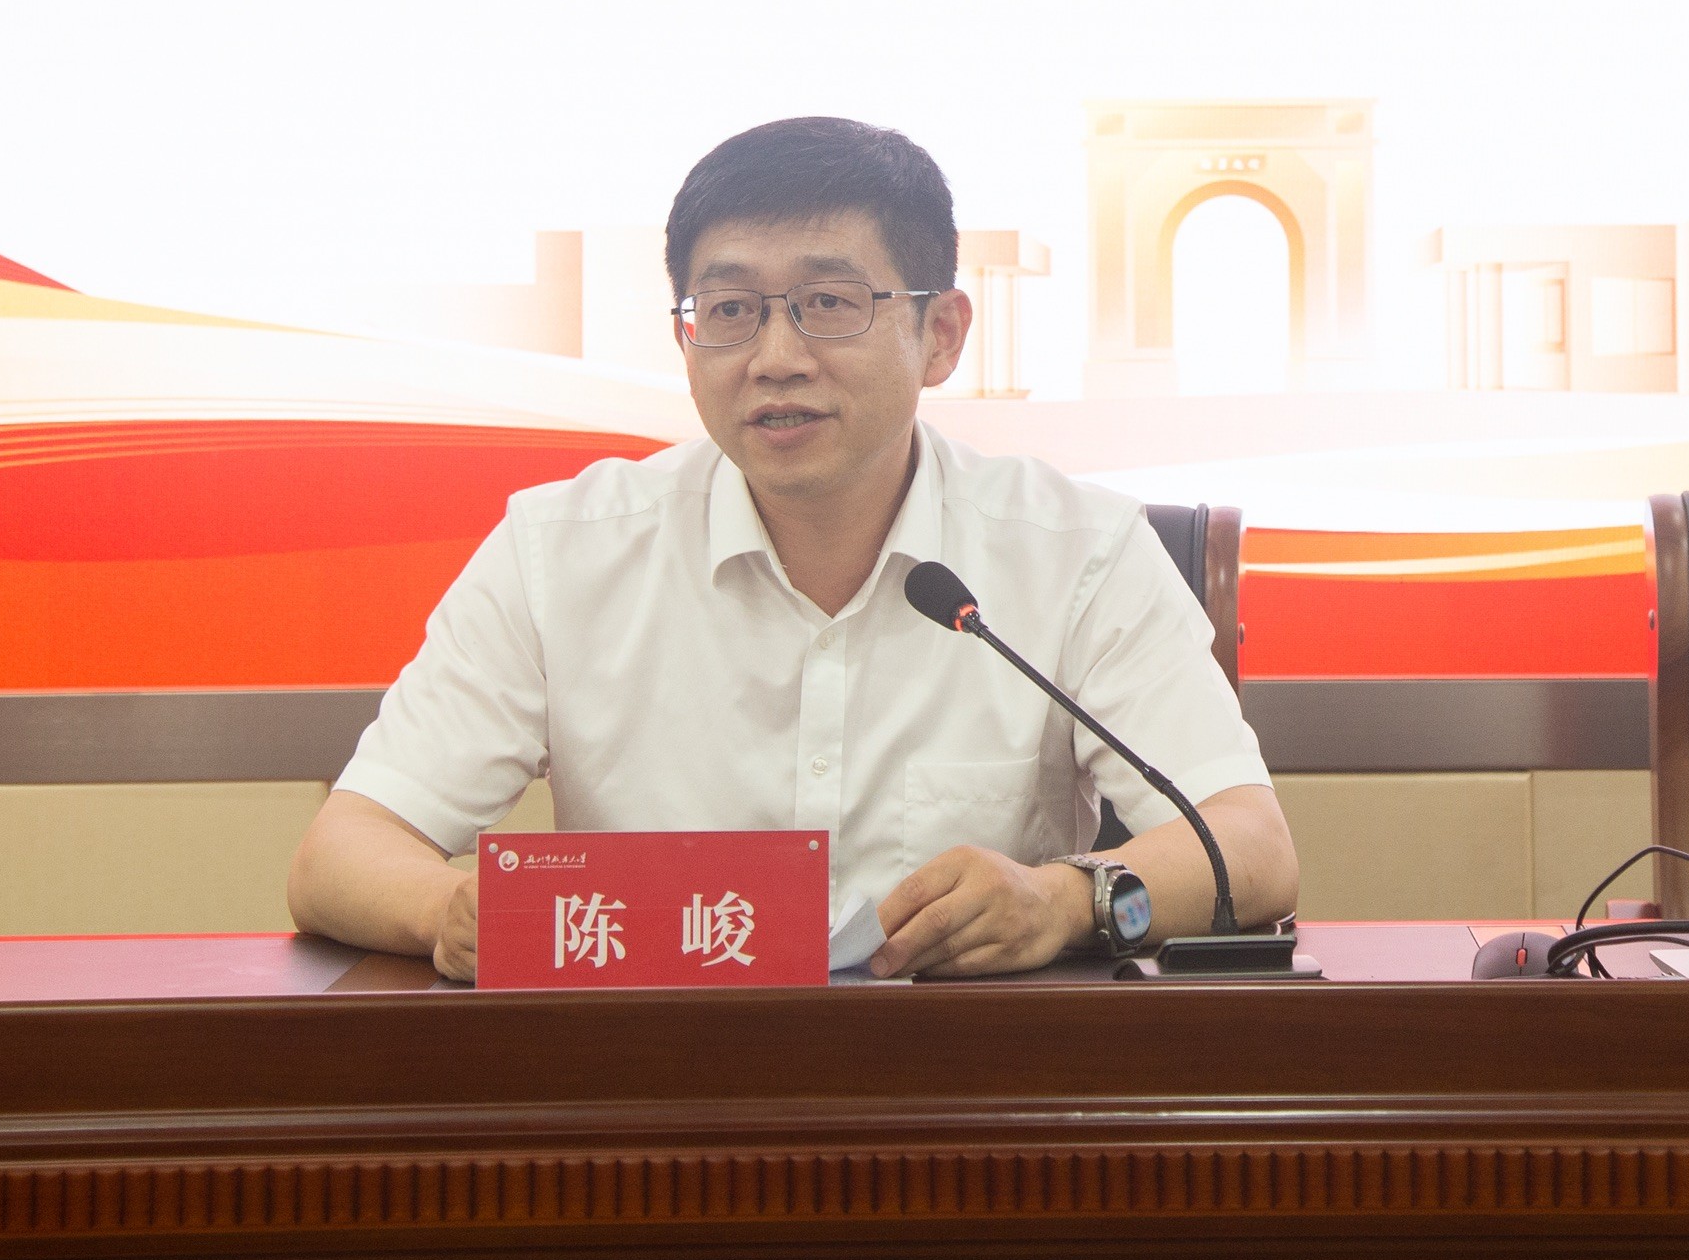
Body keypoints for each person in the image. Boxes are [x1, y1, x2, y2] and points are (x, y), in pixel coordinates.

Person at [286, 115, 1296, 979]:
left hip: (967, 1094)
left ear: (941, 335)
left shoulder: (1076, 552)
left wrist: (1066, 900)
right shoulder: (560, 554)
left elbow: (1248, 846)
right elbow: (342, 853)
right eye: (730, 311)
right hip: (652, 1093)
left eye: (828, 305)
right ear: (687, 339)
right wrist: (452, 914)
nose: (775, 358)